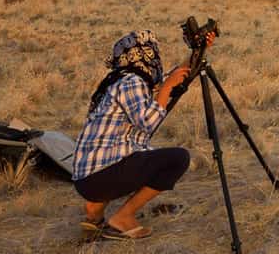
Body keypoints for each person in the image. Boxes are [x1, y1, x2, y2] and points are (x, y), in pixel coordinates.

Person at [72, 28, 212, 240]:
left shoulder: (123, 79)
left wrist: (199, 50)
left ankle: (95, 209)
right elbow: (148, 121)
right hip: (100, 175)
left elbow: (178, 75)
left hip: (86, 178)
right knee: (177, 159)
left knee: (141, 154)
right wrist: (167, 86)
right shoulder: (132, 83)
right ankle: (123, 218)